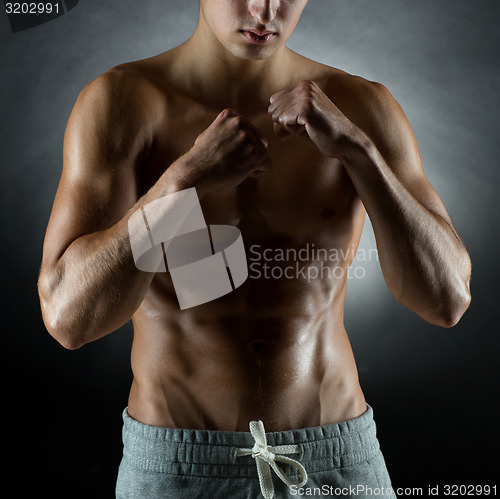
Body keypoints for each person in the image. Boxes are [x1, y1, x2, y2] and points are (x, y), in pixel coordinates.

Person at [38, 1, 472, 497]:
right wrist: (185, 182)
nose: (265, 9)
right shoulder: (122, 104)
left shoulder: (361, 106)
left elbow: (446, 300)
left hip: (335, 462)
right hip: (178, 467)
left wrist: (359, 151)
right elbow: (71, 320)